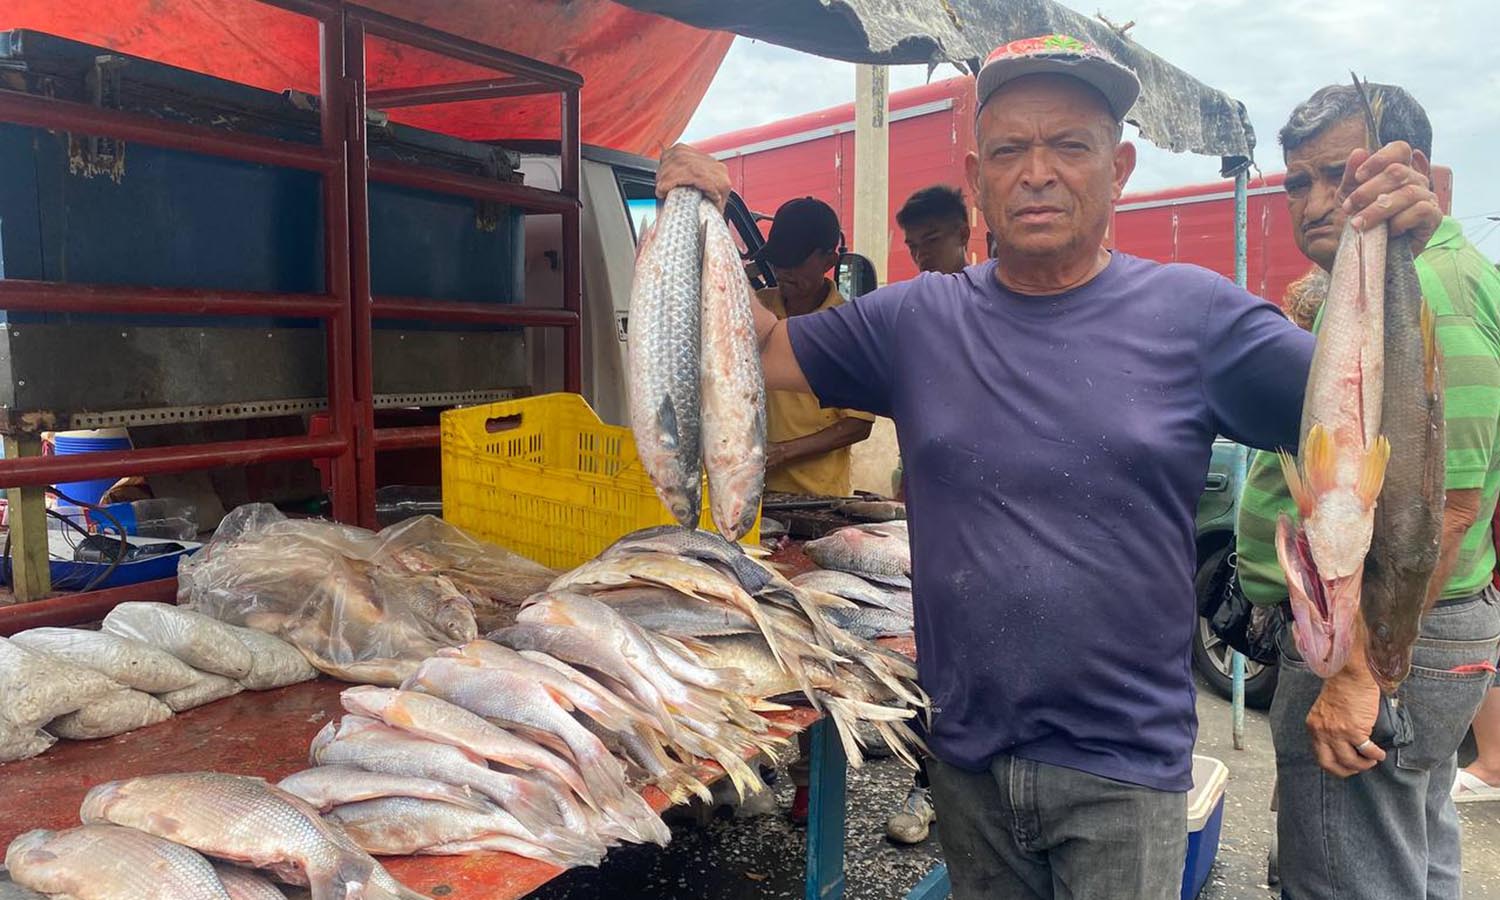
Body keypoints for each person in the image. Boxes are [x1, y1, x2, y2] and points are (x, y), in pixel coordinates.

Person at [655, 33, 1439, 898]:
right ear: (977, 173)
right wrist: (705, 217)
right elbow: (758, 351)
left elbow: (1376, 435)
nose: (1037, 171)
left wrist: (1398, 250)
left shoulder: (1197, 318)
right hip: (966, 757)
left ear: (1120, 166)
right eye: (1009, 150)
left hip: (1123, 774)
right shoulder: (914, 321)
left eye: (1070, 145)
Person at [1234, 82, 1500, 899]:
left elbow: (1442, 509)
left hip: (1383, 637)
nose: (1316, 203)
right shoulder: (1415, 270)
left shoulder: (1436, 286)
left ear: (1406, 169)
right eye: (1297, 182)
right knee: (1411, 850)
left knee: (1349, 875)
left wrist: (1356, 676)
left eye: (1339, 177)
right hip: (1404, 631)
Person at [882, 184, 975, 845]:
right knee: (932, 659)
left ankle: (952, 785)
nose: (921, 258)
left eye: (932, 242)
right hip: (931, 520)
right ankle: (927, 780)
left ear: (965, 233)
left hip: (984, 523)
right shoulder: (915, 314)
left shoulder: (989, 307)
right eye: (913, 247)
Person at [754, 197, 875, 499]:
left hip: (816, 498)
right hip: (751, 490)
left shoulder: (848, 327)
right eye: (777, 261)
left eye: (795, 262)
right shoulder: (757, 306)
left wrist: (781, 453)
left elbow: (858, 425)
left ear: (828, 262)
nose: (783, 272)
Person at [896, 185, 972, 276]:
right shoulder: (915, 290)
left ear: (963, 235)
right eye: (913, 246)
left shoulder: (986, 288)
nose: (920, 255)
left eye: (931, 241)